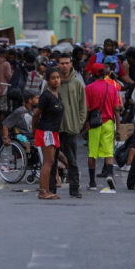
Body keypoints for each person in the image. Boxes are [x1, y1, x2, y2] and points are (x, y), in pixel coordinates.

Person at [55, 53, 87, 198]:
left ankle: (74, 188)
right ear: (58, 65)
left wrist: (78, 124)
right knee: (51, 159)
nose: (64, 66)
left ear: (71, 64)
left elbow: (83, 106)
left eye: (67, 63)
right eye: (62, 63)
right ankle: (50, 187)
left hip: (71, 128)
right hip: (54, 128)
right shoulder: (52, 82)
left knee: (72, 160)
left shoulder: (77, 83)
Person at [85, 63, 121, 191]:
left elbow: (87, 109)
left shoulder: (88, 88)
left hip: (94, 124)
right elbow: (116, 109)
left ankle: (92, 182)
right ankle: (110, 175)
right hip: (109, 123)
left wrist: (85, 124)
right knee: (109, 152)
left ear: (93, 74)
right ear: (104, 73)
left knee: (92, 153)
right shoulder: (112, 88)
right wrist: (119, 127)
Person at [32, 68, 64, 200]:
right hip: (46, 131)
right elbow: (36, 114)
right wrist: (34, 129)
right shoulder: (46, 96)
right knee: (48, 162)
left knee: (50, 162)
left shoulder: (57, 94)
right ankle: (42, 191)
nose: (56, 80)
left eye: (58, 77)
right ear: (48, 80)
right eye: (53, 78)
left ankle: (46, 189)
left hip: (53, 131)